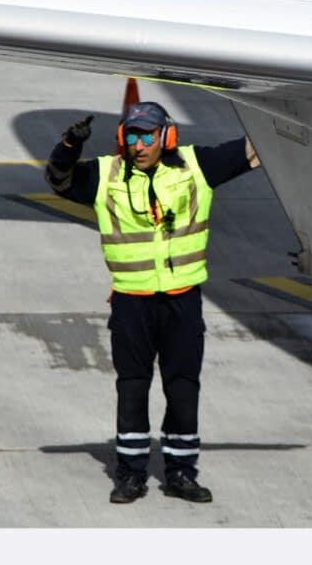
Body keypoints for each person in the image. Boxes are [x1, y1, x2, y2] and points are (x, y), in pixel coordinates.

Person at [45, 102, 260, 504]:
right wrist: (70, 145)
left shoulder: (197, 167)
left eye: (147, 137)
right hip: (132, 302)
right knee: (132, 386)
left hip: (182, 301)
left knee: (182, 387)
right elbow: (58, 180)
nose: (139, 146)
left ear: (167, 137)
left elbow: (257, 150)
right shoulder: (106, 174)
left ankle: (180, 473)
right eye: (132, 136)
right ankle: (130, 474)